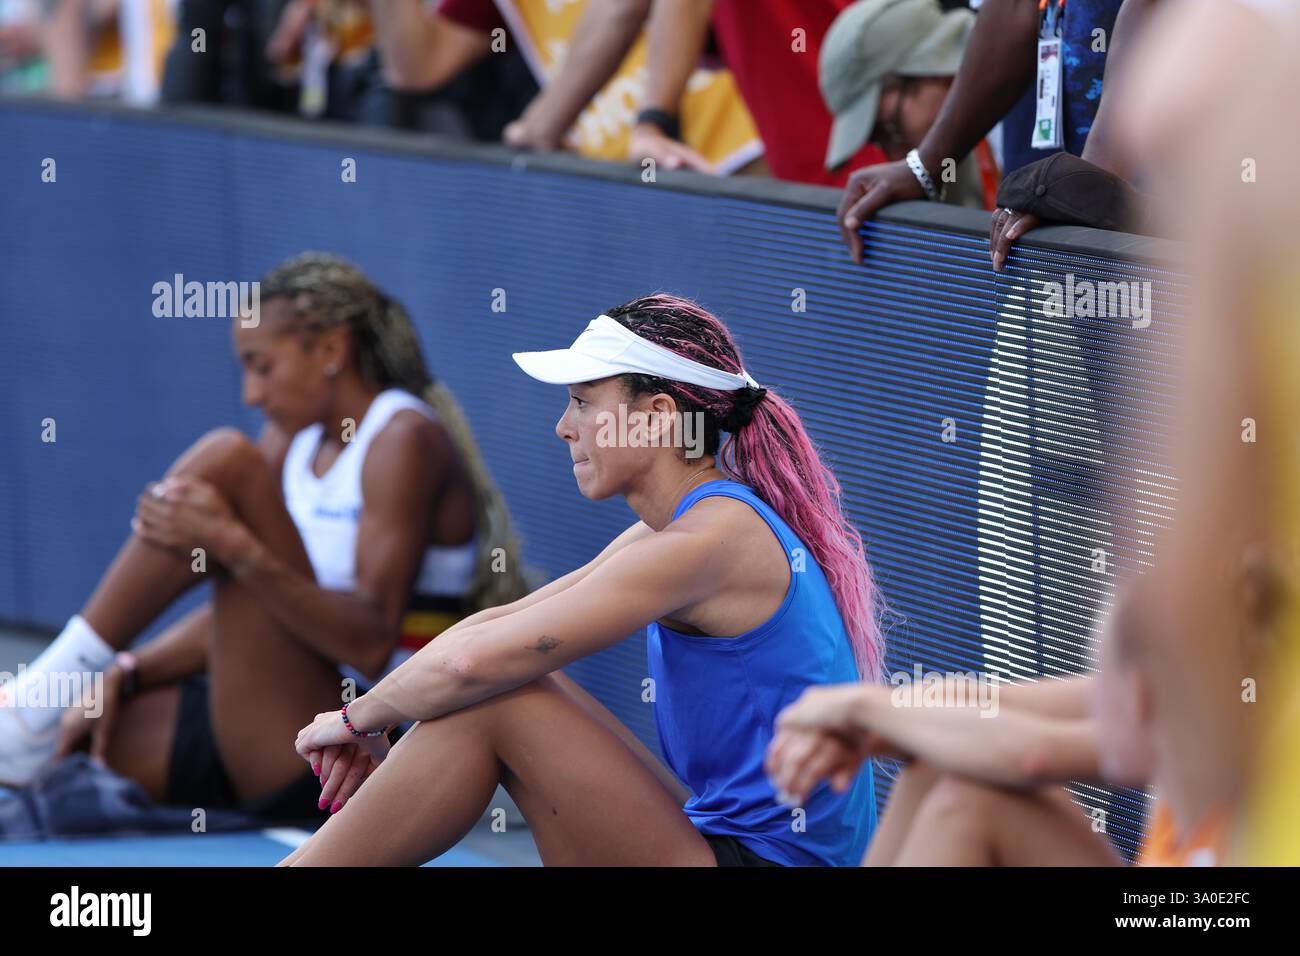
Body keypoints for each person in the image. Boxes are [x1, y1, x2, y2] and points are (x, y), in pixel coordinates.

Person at [278, 294, 884, 866]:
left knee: (503, 694)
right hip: (720, 844)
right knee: (503, 679)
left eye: (583, 402)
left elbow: (472, 665)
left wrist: (357, 720)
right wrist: (378, 714)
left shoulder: (709, 541)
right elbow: (496, 627)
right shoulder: (689, 528)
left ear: (656, 417)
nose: (564, 427)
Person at [0, 253, 528, 825]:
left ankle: (40, 697)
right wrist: (130, 670)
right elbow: (251, 609)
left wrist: (234, 548)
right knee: (79, 736)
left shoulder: (402, 437)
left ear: (330, 350)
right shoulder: (290, 442)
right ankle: (48, 701)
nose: (251, 393)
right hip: (281, 711)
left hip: (362, 741)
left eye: (262, 366)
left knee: (224, 458)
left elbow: (370, 642)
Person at [835, 0, 1159, 267]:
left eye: (887, 127)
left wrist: (1088, 188)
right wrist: (924, 168)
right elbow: (1014, 7)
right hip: (1083, 209)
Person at [368, 0, 762, 172]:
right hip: (624, 169)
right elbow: (418, 64)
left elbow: (622, 7)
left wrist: (541, 124)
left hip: (742, 145)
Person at [819, 0, 998, 209]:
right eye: (877, 140)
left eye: (890, 128)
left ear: (929, 69)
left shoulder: (1032, 100)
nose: (894, 156)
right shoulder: (946, 160)